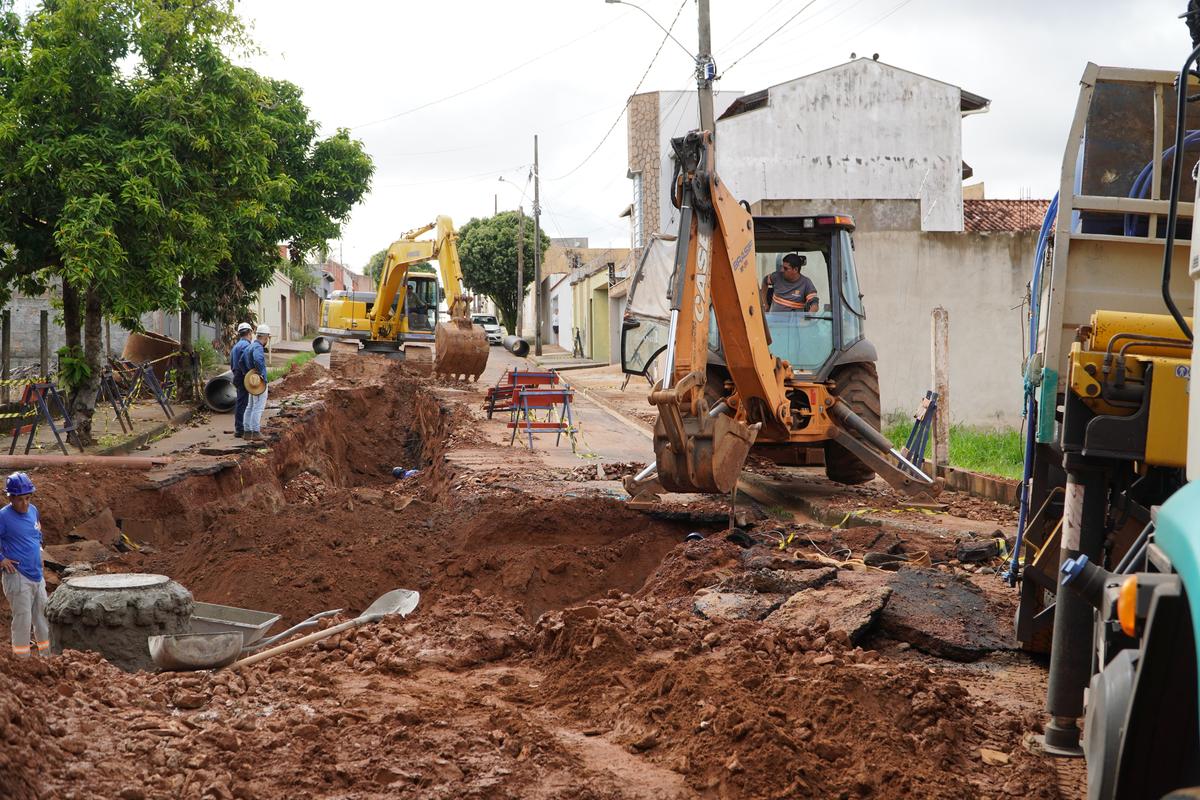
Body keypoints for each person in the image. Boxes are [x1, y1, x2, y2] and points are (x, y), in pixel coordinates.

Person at [0, 472, 49, 659]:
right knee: (23, 620)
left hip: (37, 575)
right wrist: (1, 559)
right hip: (18, 576)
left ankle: (48, 657)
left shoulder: (33, 511)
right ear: (10, 498)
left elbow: (37, 535)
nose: (25, 503)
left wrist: (40, 553)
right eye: (20, 499)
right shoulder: (3, 517)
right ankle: (22, 662)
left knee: (43, 617)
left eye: (28, 498)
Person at [240, 324, 270, 441]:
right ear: (266, 337)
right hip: (258, 382)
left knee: (250, 406)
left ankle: (247, 431)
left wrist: (248, 374)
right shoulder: (258, 348)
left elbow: (241, 361)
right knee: (258, 407)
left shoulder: (250, 346)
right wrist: (261, 374)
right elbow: (258, 359)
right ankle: (256, 432)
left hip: (251, 381)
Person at [230, 322, 254, 439]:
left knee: (241, 401)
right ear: (249, 333)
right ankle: (241, 428)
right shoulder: (246, 346)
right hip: (243, 375)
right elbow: (244, 361)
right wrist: (249, 372)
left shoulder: (236, 346)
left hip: (237, 375)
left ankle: (241, 427)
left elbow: (232, 363)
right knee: (243, 402)